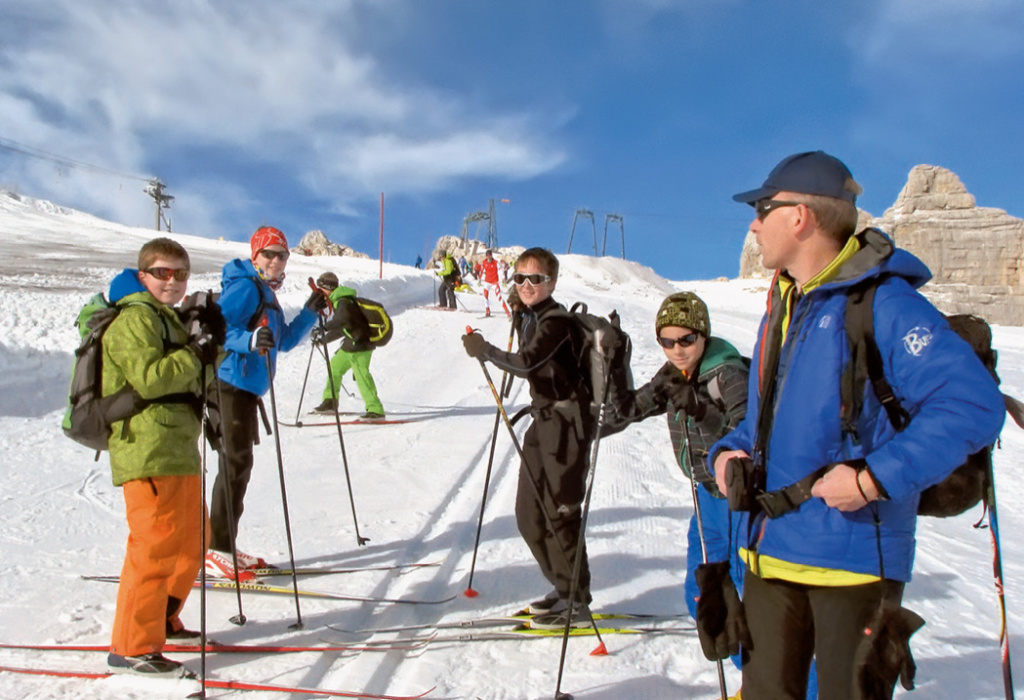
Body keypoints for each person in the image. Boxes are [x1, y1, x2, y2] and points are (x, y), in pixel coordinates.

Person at [709, 151, 1005, 699]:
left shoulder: (885, 303)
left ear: (799, 216)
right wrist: (727, 453)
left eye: (762, 208)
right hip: (769, 556)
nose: (754, 223)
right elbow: (763, 423)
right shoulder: (785, 304)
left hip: (852, 564)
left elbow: (972, 405)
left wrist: (870, 480)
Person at [103, 237, 223, 677]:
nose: (172, 281)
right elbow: (151, 380)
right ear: (143, 276)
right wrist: (194, 352)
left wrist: (216, 344)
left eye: (180, 274)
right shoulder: (134, 320)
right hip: (148, 448)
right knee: (154, 548)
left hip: (179, 448)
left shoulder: (168, 319)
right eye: (162, 272)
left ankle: (163, 619)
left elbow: (196, 376)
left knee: (193, 540)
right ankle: (132, 647)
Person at [462, 247, 596, 630]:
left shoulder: (557, 322)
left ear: (551, 282)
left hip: (567, 427)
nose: (525, 285)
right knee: (527, 514)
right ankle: (562, 586)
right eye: (519, 278)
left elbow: (529, 363)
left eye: (534, 279)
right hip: (543, 421)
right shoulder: (532, 315)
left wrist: (484, 351)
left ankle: (576, 599)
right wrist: (520, 315)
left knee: (561, 512)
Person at [605, 292, 747, 624]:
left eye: (687, 339)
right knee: (701, 598)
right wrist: (616, 362)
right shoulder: (672, 374)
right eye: (666, 341)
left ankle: (770, 674)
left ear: (703, 334)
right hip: (705, 497)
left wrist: (701, 411)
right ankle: (748, 668)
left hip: (742, 500)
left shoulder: (728, 374)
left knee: (745, 595)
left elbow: (745, 438)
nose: (677, 349)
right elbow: (623, 412)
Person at [205, 226, 327, 581]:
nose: (275, 260)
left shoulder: (266, 294)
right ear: (255, 255)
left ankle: (224, 547)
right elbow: (218, 328)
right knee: (234, 464)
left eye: (282, 254)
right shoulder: (245, 286)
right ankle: (217, 551)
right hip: (229, 382)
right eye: (268, 253)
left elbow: (284, 341)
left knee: (239, 466)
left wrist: (308, 311)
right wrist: (248, 339)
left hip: (245, 388)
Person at [310, 272, 387, 421]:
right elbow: (343, 327)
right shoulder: (341, 301)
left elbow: (342, 320)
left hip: (360, 344)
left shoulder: (343, 301)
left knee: (361, 375)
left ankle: (375, 410)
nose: (320, 293)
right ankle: (330, 402)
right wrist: (323, 340)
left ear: (327, 288)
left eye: (321, 289)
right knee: (334, 368)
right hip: (350, 344)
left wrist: (324, 328)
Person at [478, 249, 511, 318]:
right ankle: (487, 310)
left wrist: (503, 278)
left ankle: (507, 312)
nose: (489, 257)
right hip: (487, 282)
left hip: (494, 282)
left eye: (490, 255)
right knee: (485, 296)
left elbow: (501, 270)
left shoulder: (495, 262)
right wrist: (479, 279)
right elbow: (481, 270)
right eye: (487, 256)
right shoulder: (484, 262)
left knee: (499, 297)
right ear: (486, 256)